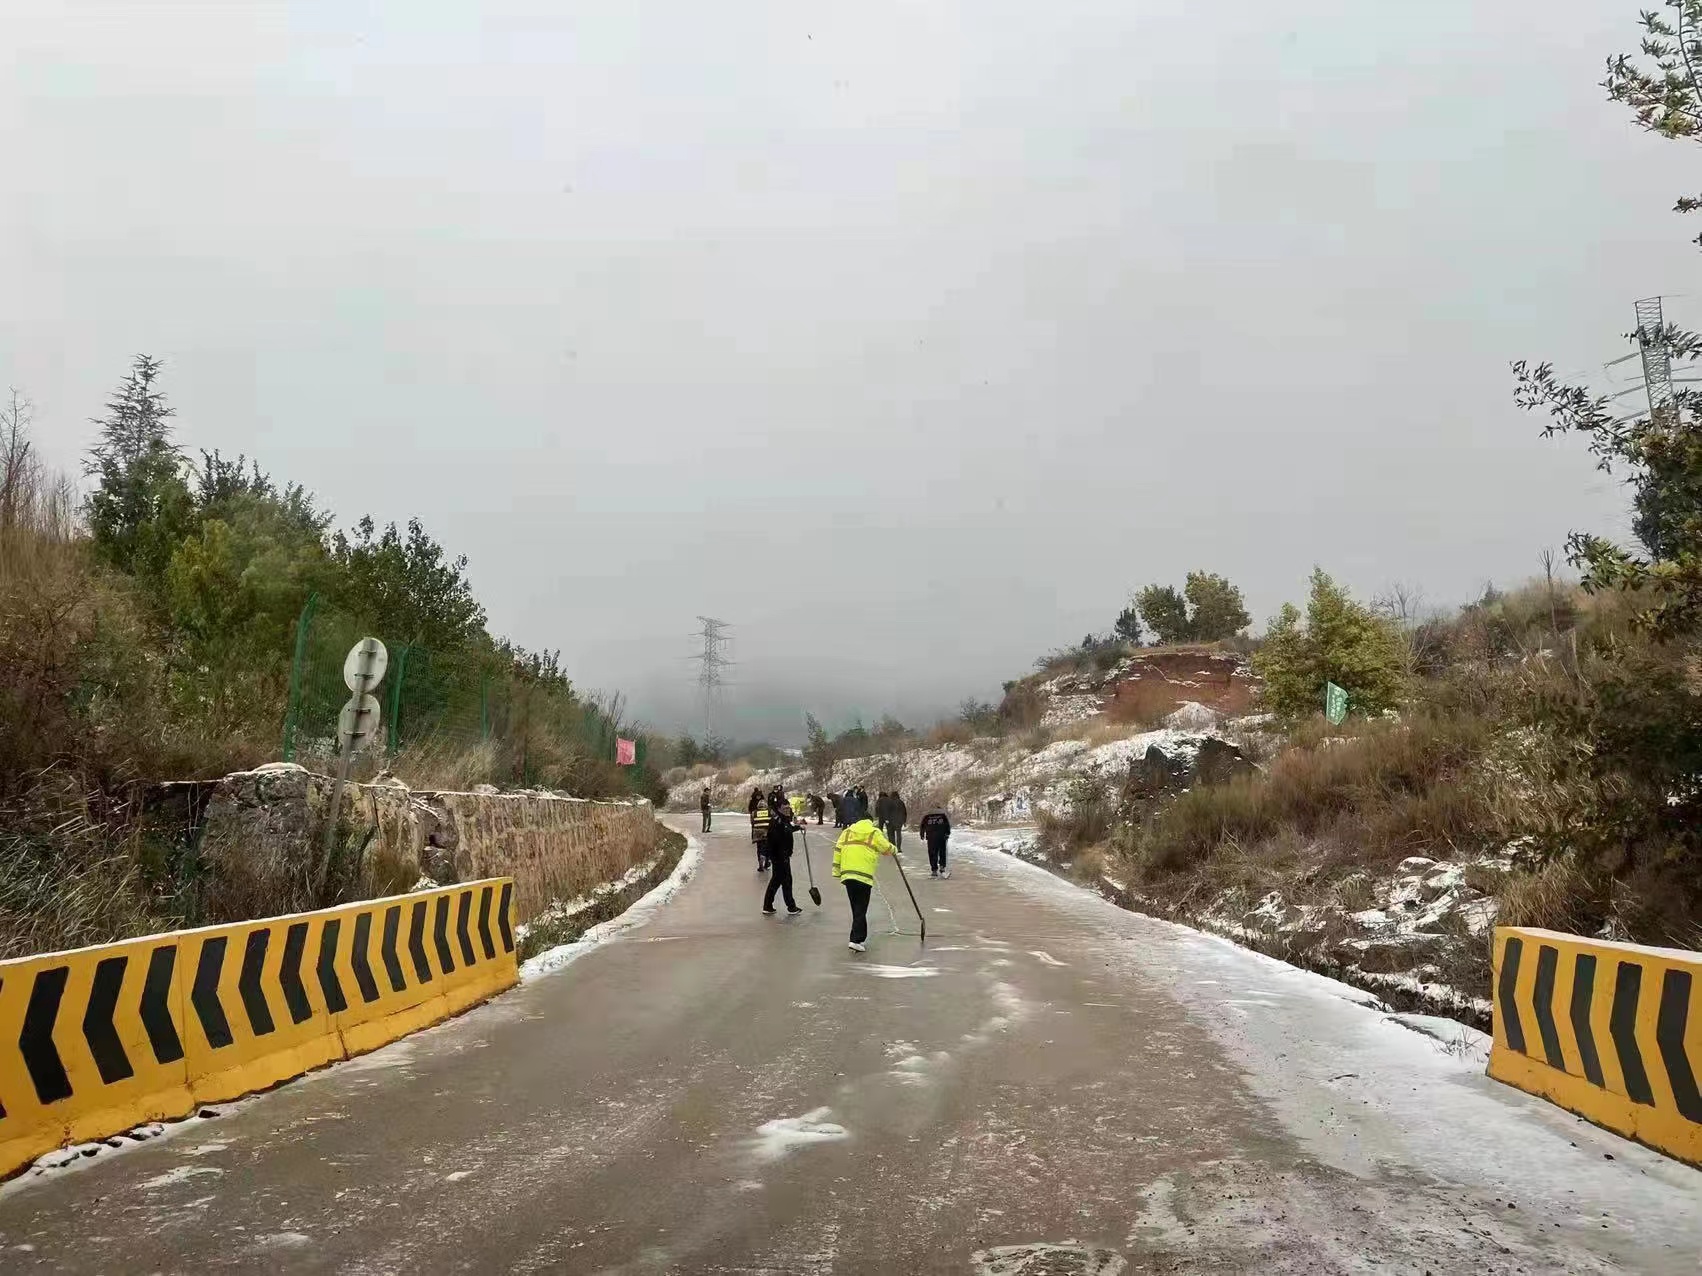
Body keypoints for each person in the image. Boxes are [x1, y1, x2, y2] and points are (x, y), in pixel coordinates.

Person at [833, 801, 897, 952]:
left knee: (856, 907)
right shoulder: (874, 832)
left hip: (848, 875)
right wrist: (893, 849)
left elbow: (837, 851)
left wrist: (837, 872)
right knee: (861, 908)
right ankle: (856, 939)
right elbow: (886, 847)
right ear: (870, 821)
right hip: (863, 875)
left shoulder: (847, 832)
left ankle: (857, 937)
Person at [763, 801, 804, 916]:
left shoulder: (783, 819)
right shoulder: (777, 821)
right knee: (786, 881)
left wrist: (798, 827)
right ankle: (791, 907)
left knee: (777, 881)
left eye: (788, 808)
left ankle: (768, 906)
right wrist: (781, 857)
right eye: (785, 808)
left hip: (782, 856)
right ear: (779, 809)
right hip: (780, 857)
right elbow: (774, 840)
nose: (787, 810)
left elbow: (788, 829)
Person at [920, 808, 952, 878]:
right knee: (942, 852)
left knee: (932, 853)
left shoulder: (927, 816)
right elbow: (947, 825)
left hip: (931, 837)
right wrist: (947, 833)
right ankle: (942, 867)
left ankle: (934, 870)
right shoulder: (942, 816)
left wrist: (922, 834)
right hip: (941, 837)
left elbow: (922, 826)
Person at [751, 797, 772, 872]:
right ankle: (767, 861)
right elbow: (773, 821)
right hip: (767, 832)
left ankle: (760, 863)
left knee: (759, 848)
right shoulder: (770, 812)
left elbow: (752, 823)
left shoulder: (754, 813)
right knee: (768, 848)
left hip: (757, 833)